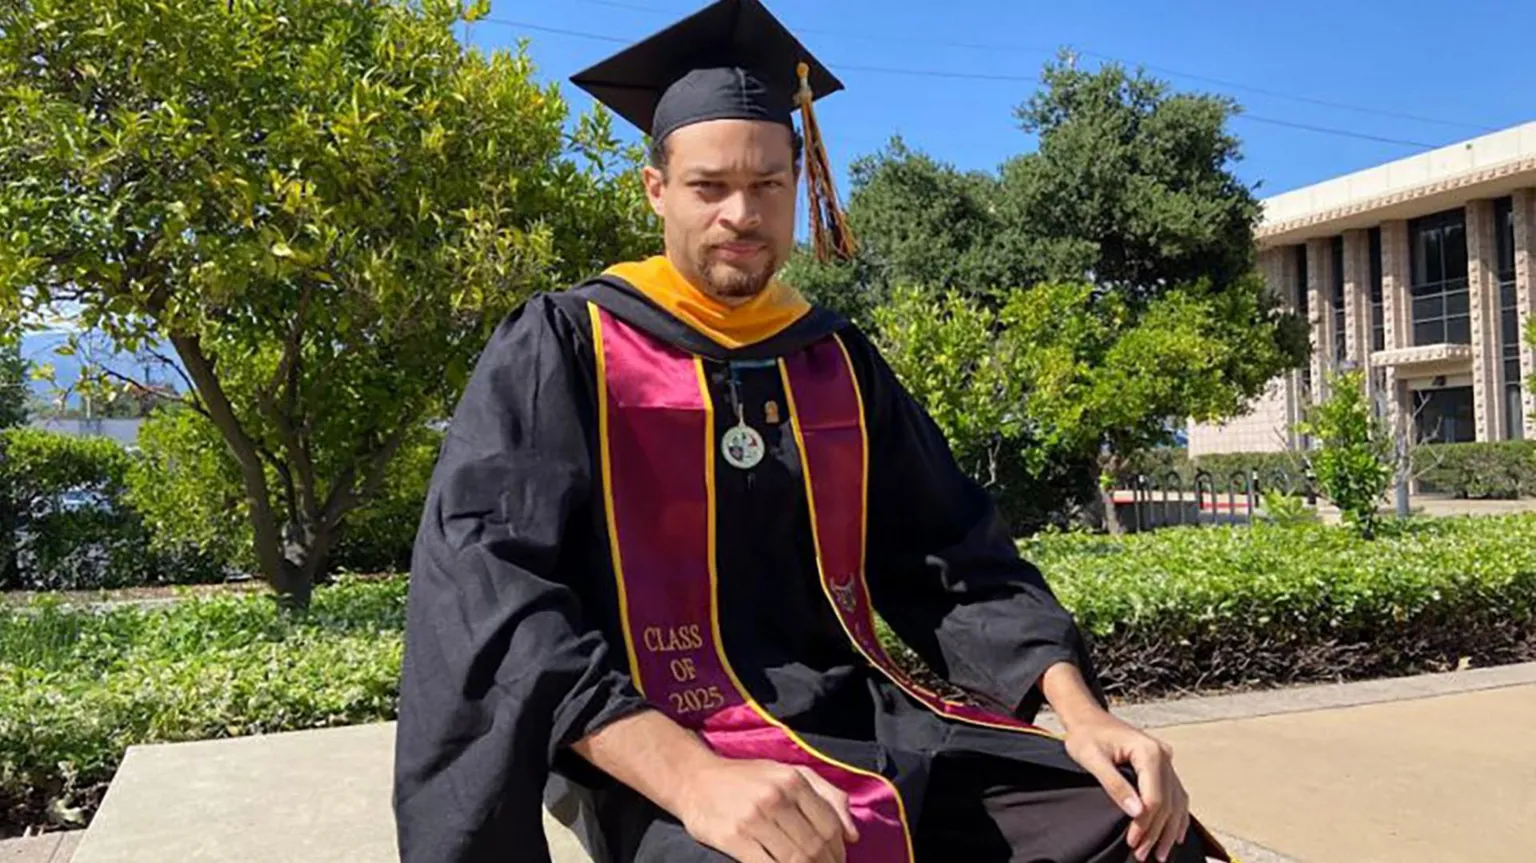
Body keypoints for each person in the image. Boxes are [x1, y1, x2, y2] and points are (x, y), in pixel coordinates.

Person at [393, 2, 1232, 861]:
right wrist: (692, 778)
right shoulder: (569, 345)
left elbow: (954, 551)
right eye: (708, 186)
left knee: (1138, 829)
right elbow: (491, 589)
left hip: (864, 720)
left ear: (801, 184)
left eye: (767, 185)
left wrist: (1083, 714)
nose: (741, 213)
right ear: (655, 190)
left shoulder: (832, 358)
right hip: (657, 744)